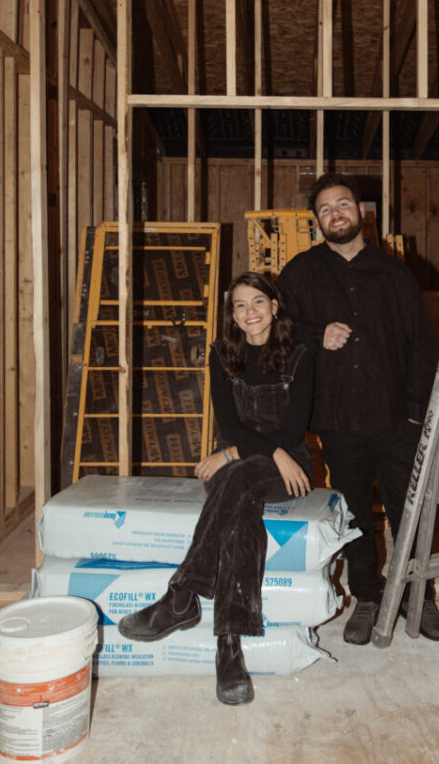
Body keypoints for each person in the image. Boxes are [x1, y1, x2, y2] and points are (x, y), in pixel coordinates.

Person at [118, 272, 314, 705]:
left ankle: (181, 595)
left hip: (287, 468)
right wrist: (240, 453)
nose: (250, 313)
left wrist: (269, 455)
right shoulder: (222, 354)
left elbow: (293, 428)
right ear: (232, 315)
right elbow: (228, 424)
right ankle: (229, 647)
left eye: (258, 302)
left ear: (274, 306)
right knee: (240, 518)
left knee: (240, 474)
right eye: (240, 306)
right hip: (240, 463)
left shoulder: (300, 355)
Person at [276, 173, 439, 646]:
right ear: (318, 222)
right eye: (326, 210)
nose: (336, 214)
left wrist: (418, 415)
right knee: (353, 514)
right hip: (336, 419)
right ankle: (367, 598)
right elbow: (276, 331)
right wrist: (317, 335)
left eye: (344, 205)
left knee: (407, 511)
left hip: (397, 418)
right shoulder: (299, 273)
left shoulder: (396, 274)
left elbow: (421, 347)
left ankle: (421, 596)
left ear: (361, 213)